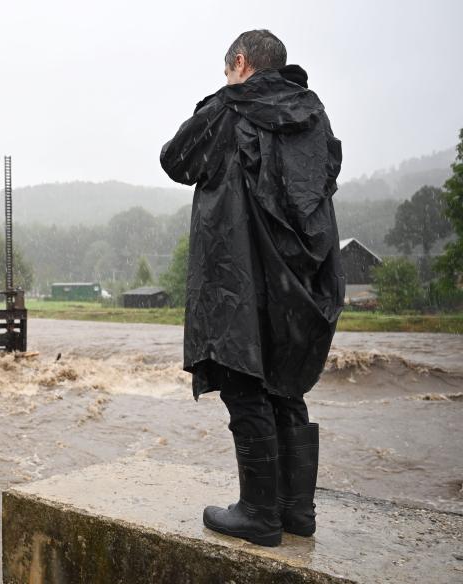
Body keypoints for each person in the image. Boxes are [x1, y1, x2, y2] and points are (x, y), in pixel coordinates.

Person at [159, 30, 345, 547]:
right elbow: (322, 178)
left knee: (246, 385)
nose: (227, 79)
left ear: (240, 63)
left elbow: (175, 159)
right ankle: (296, 511)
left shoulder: (230, 108)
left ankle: (259, 514)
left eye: (227, 72)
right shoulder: (314, 116)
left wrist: (222, 101)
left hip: (240, 275)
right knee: (287, 383)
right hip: (299, 279)